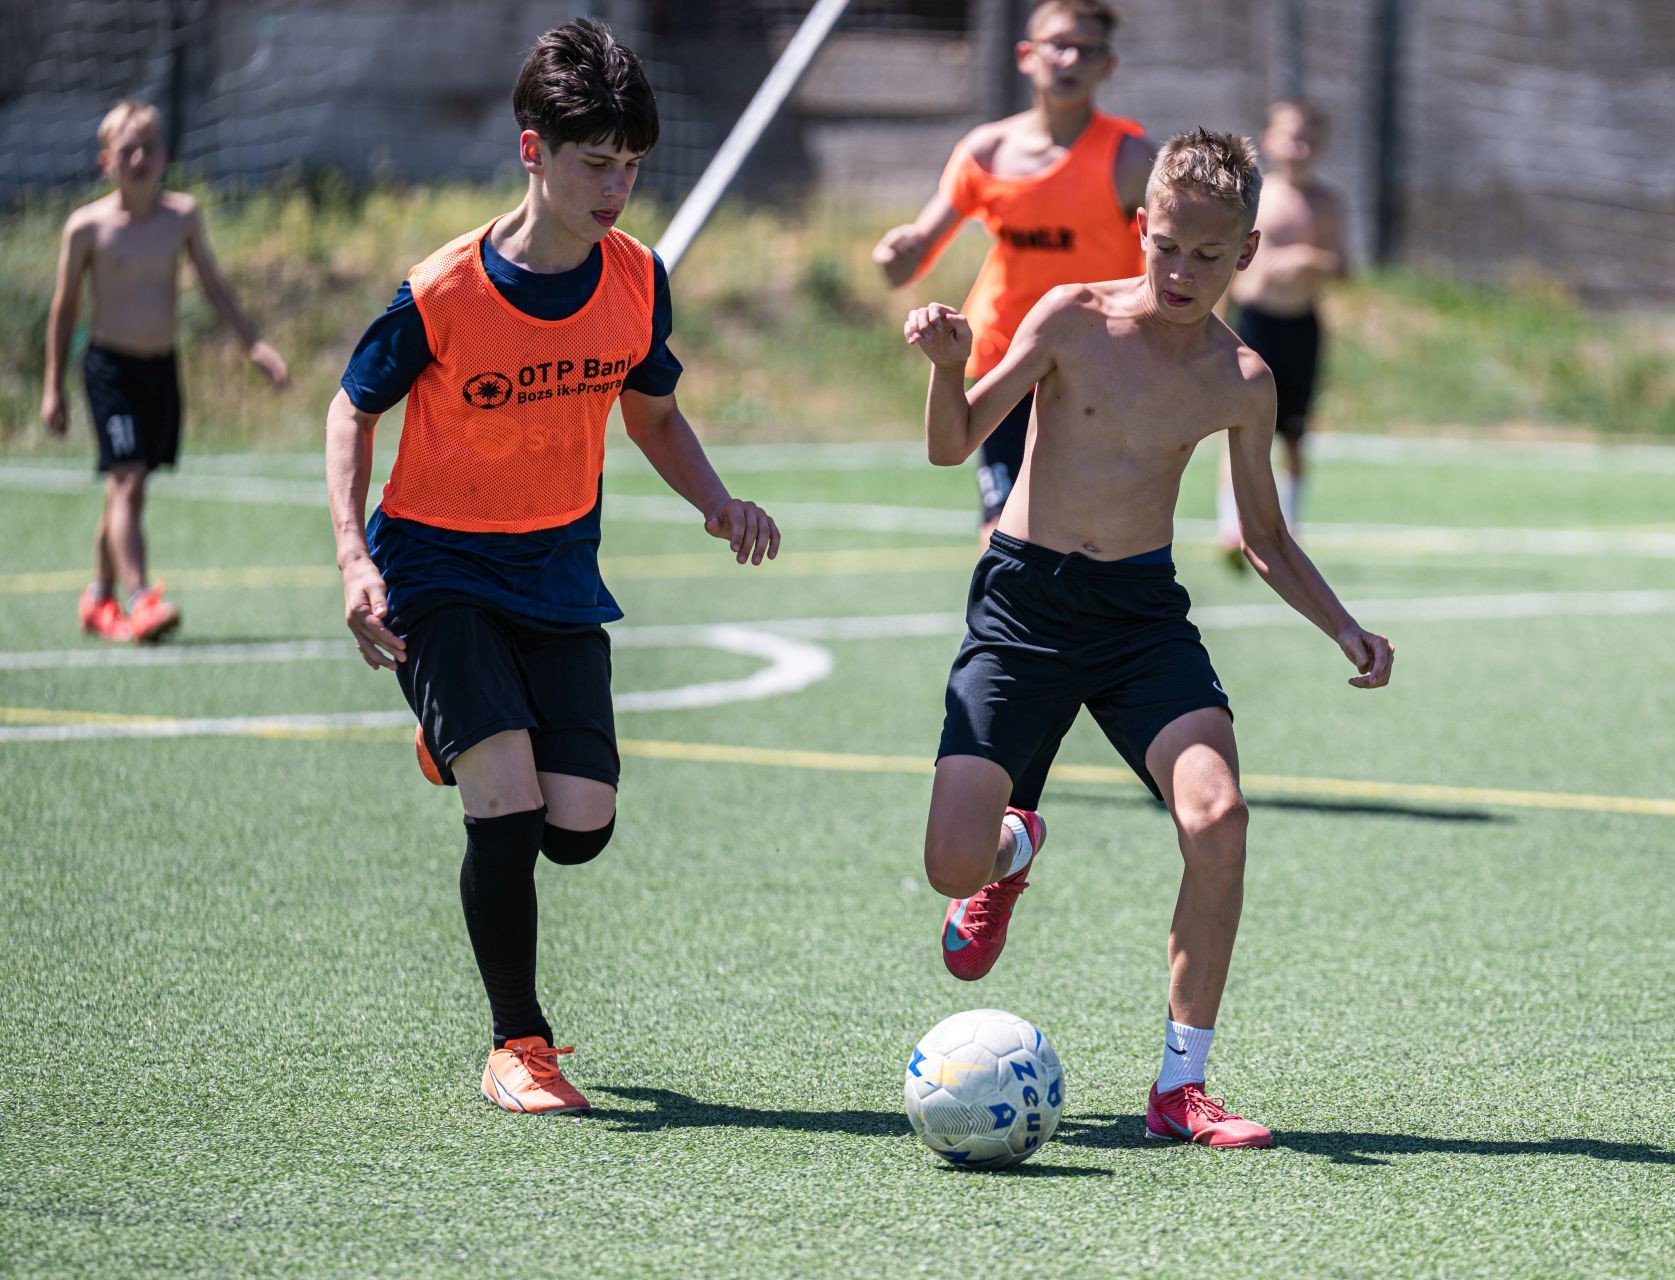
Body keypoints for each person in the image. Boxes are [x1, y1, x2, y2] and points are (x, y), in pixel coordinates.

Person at [324, 18, 779, 1116]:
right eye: (596, 162)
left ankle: (458, 742)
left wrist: (718, 502)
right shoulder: (444, 291)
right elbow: (351, 410)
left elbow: (653, 414)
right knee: (510, 803)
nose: (618, 186)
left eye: (632, 164)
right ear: (533, 151)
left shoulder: (638, 279)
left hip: (560, 572)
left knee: (579, 825)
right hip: (437, 567)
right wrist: (352, 556)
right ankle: (517, 1044)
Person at [903, 128, 1392, 1148]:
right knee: (952, 864)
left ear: (1246, 252)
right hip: (1023, 607)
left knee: (1220, 818)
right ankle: (1010, 849)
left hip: (1138, 620)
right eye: (1167, 247)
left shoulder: (1240, 378)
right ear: (1140, 228)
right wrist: (949, 369)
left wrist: (1343, 625)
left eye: (1208, 256)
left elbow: (1263, 536)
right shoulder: (1068, 317)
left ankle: (1181, 1087)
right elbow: (953, 445)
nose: (1181, 272)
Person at [872, 0, 1154, 547]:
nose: (1070, 60)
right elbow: (908, 262)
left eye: (1088, 50)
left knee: (1087, 534)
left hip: (1099, 365)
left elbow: (1169, 256)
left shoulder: (1129, 160)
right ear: (1027, 55)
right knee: (1000, 531)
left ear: (1107, 65)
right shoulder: (988, 150)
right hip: (1006, 360)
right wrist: (894, 253)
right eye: (1059, 45)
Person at [42, 99, 288, 644]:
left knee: (127, 487)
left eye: (148, 148)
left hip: (160, 369)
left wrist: (254, 344)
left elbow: (213, 285)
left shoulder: (181, 217)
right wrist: (52, 388)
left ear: (165, 155)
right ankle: (138, 601)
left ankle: (98, 597)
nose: (138, 158)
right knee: (127, 481)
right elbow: (64, 309)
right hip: (110, 369)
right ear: (106, 161)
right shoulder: (86, 227)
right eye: (127, 150)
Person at [1215, 98, 1347, 550]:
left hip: (1300, 326)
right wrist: (1214, 323)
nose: (1299, 149)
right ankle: (1232, 526)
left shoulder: (1327, 203)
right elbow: (1228, 268)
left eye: (1308, 140)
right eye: (1291, 138)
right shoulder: (1253, 198)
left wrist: (1310, 261)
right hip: (1255, 324)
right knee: (1240, 423)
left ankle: (1288, 526)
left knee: (1293, 431)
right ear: (1269, 141)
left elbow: (1344, 268)